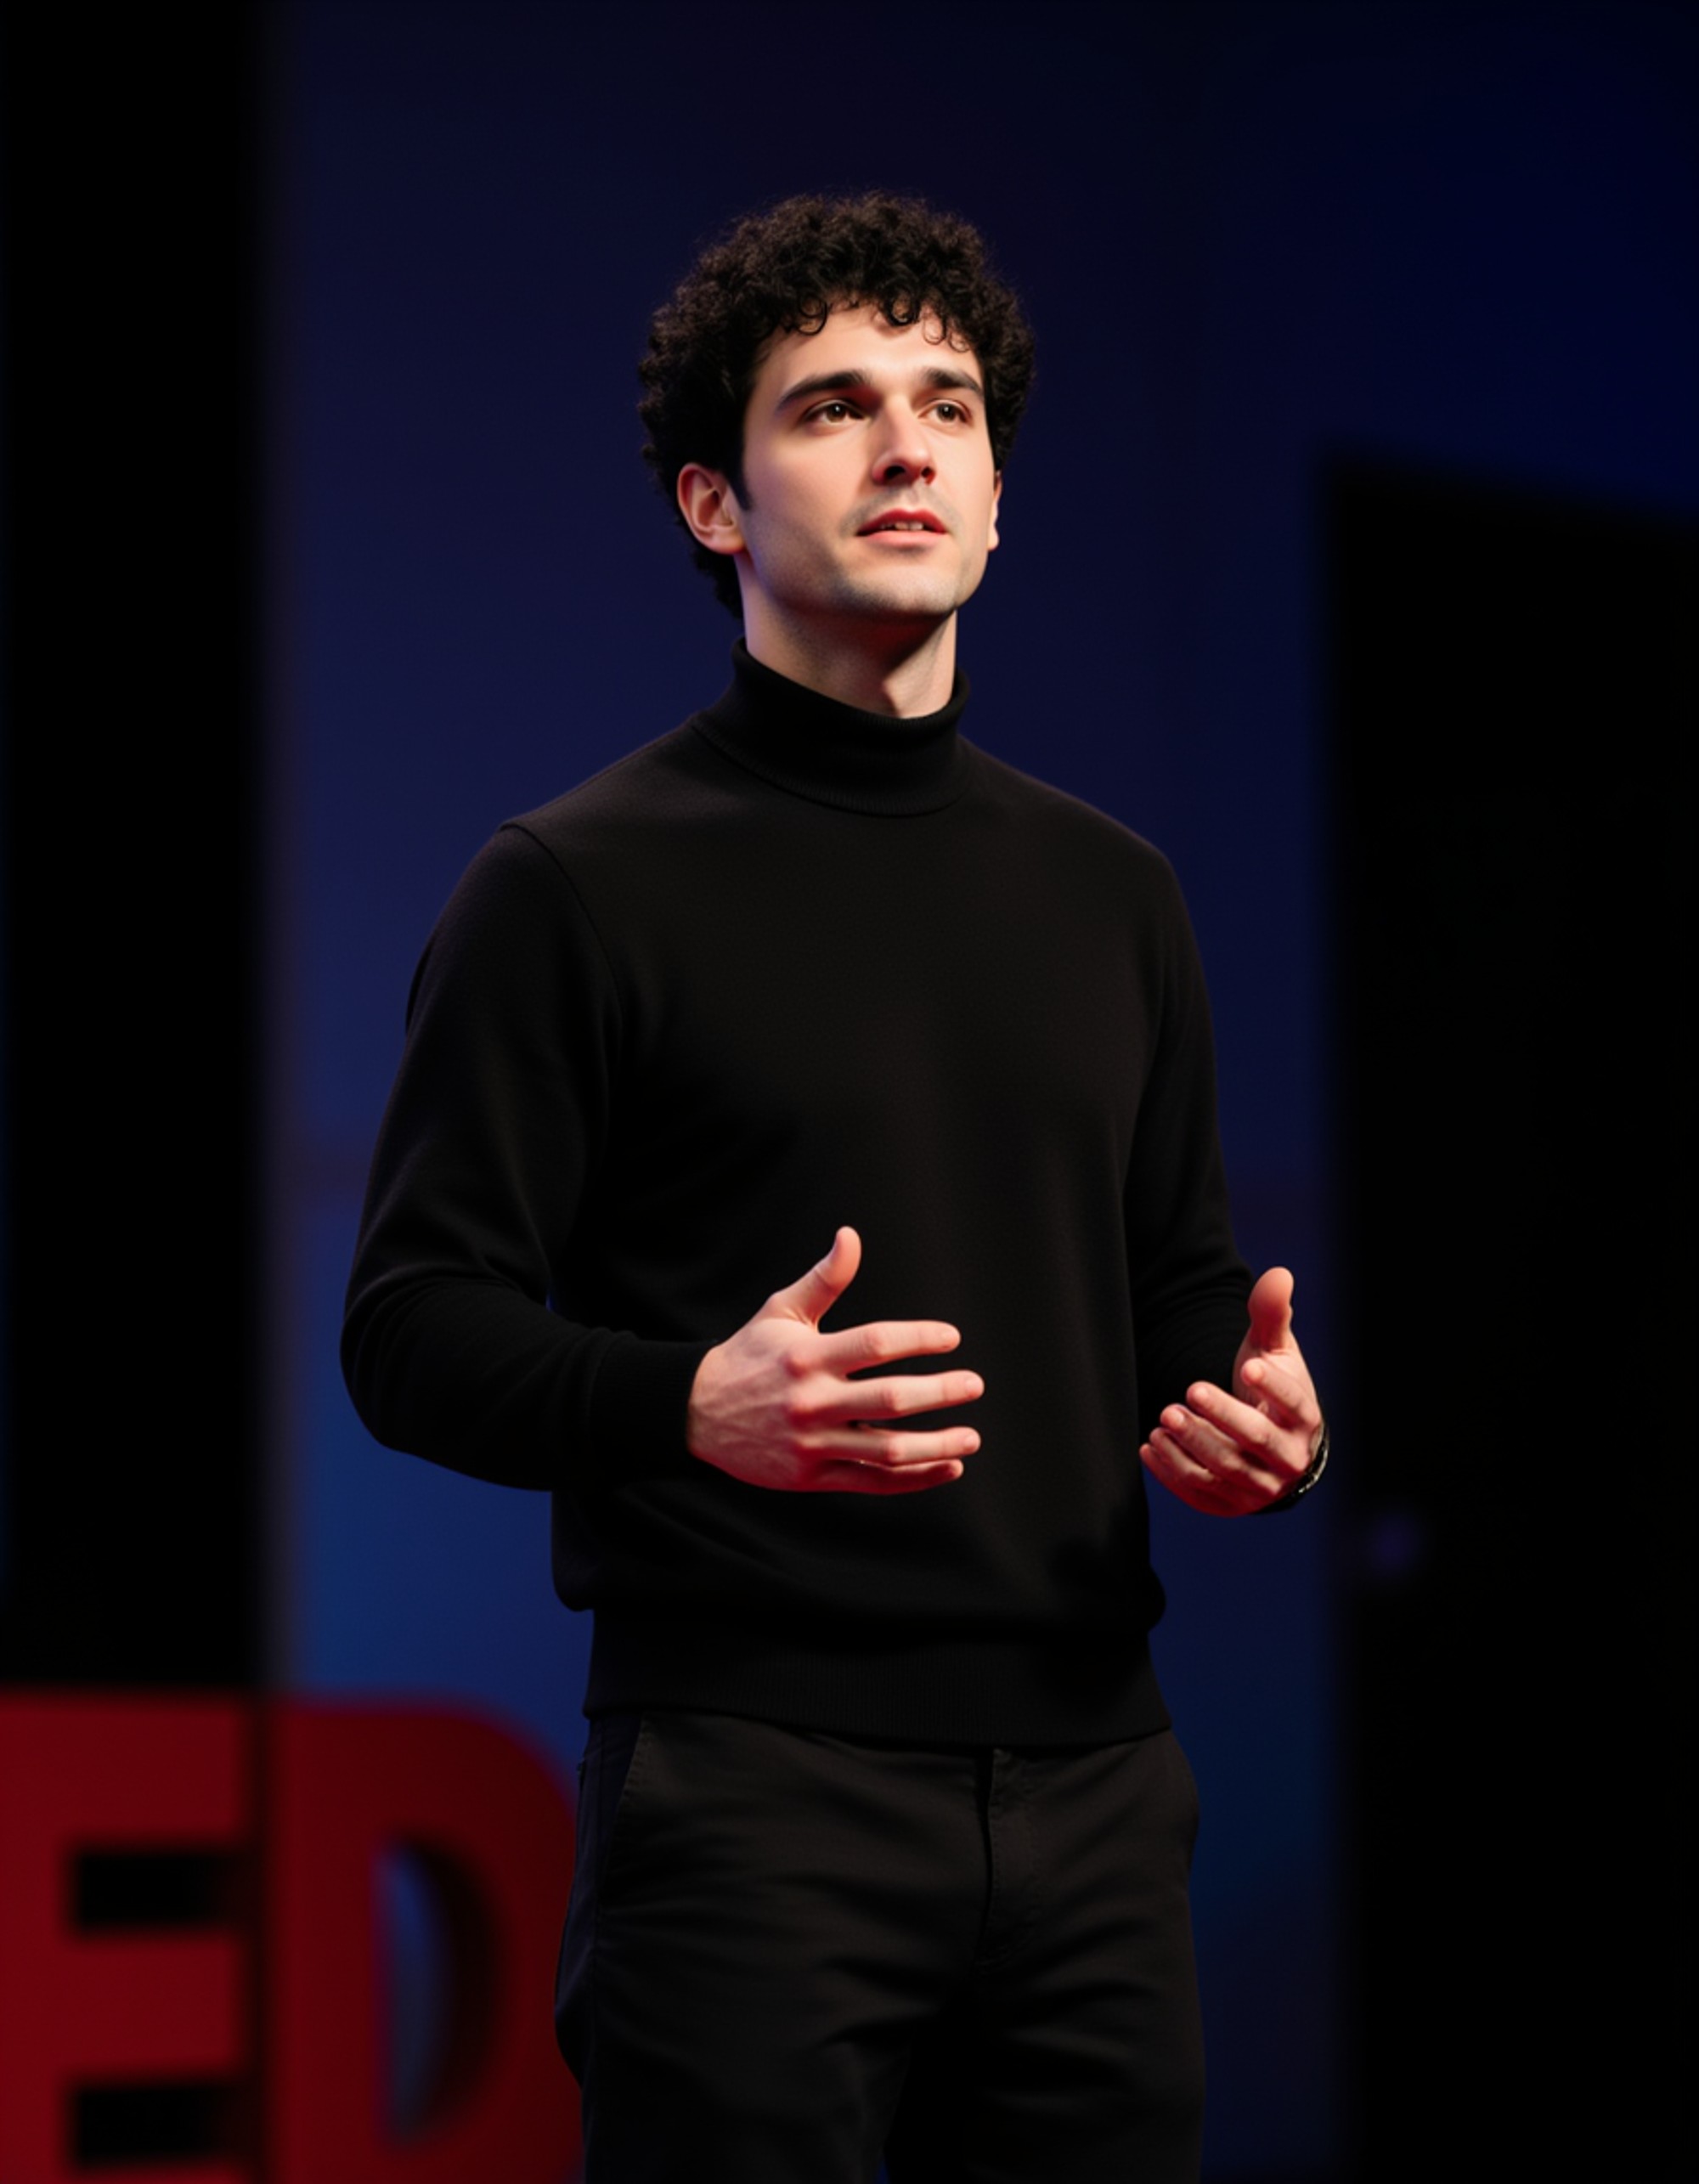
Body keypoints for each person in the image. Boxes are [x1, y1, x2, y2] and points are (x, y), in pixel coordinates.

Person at [342, 191, 1326, 2183]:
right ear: (717, 505)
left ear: (993, 491)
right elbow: (409, 1333)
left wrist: (1257, 1423)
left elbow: (1167, 1295)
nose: (907, 447)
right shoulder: (574, 883)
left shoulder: (1112, 891)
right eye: (835, 407)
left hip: (1099, 1795)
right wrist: (683, 1402)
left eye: (948, 405)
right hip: (750, 1800)